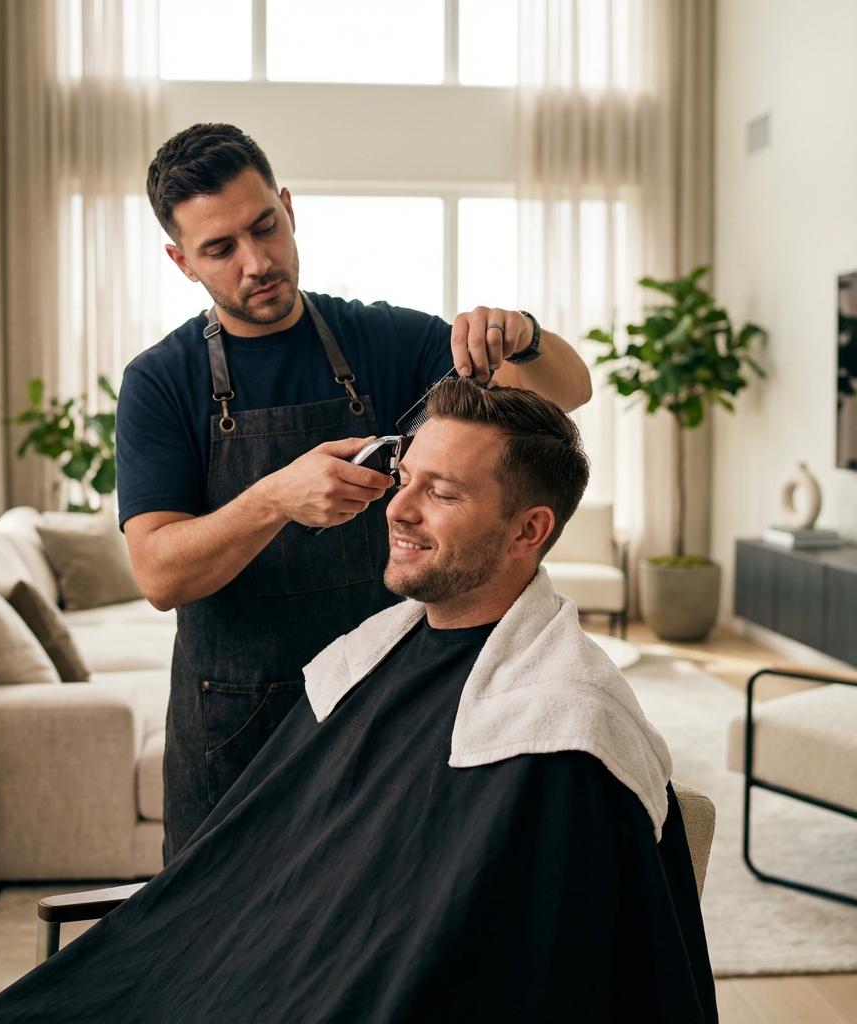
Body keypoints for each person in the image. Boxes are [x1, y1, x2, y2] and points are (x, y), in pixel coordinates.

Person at [0, 379, 717, 1024]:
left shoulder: (562, 729)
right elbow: (272, 869)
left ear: (529, 530)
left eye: (442, 492)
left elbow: (506, 974)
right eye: (406, 477)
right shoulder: (373, 656)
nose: (399, 508)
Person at [118, 122, 593, 859]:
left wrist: (525, 334)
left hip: (383, 702)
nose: (257, 261)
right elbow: (158, 573)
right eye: (220, 248)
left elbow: (566, 394)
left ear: (287, 206)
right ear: (182, 262)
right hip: (236, 727)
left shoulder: (387, 341)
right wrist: (275, 498)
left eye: (265, 227)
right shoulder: (159, 382)